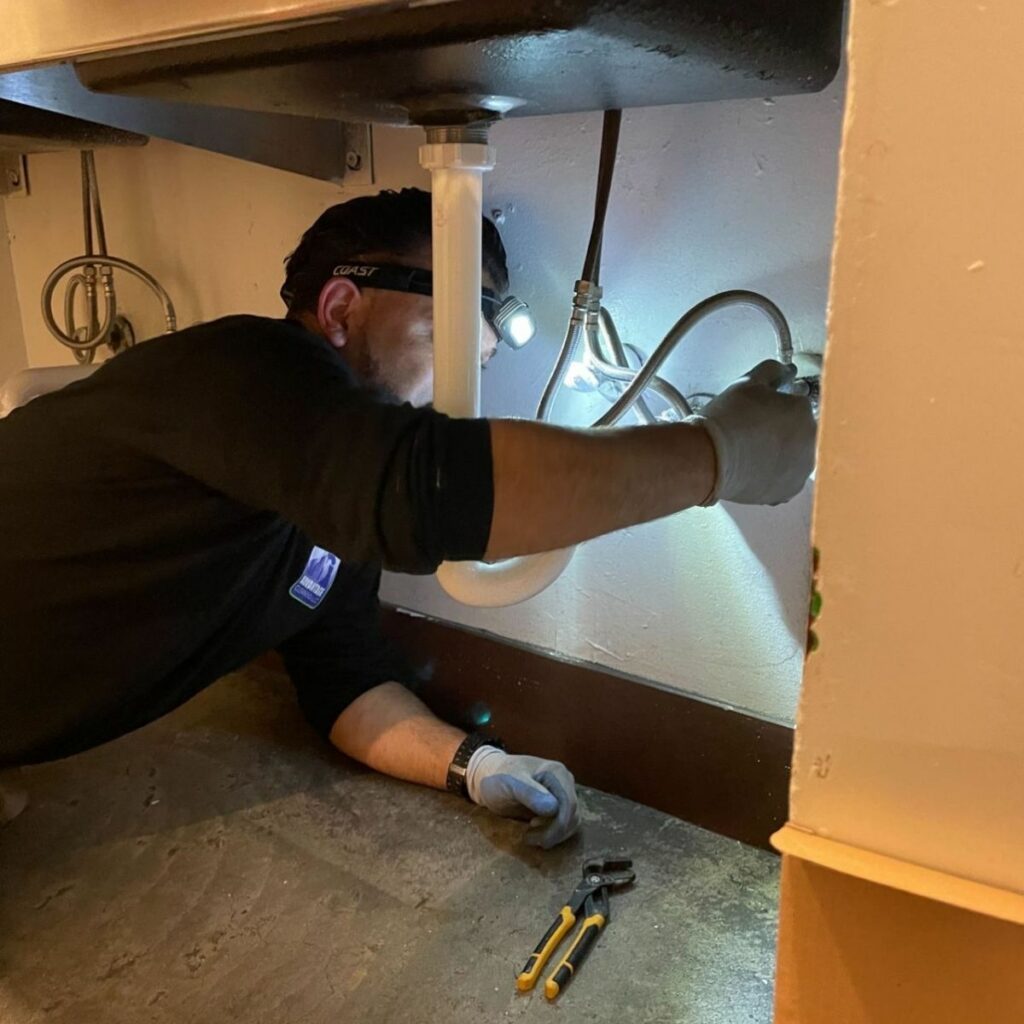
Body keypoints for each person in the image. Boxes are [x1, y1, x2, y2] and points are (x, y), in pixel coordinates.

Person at [0, 188, 815, 844]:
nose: (474, 356)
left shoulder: (332, 491)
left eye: (485, 336)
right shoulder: (242, 367)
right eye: (455, 319)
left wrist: (476, 765)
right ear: (342, 307)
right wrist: (721, 454)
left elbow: (343, 677)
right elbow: (421, 491)